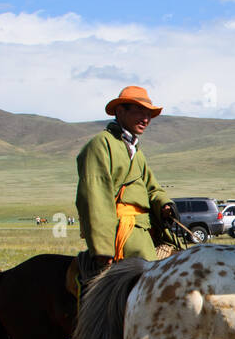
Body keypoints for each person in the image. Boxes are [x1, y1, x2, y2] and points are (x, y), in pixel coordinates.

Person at [75, 85, 177, 279]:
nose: (145, 119)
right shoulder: (101, 144)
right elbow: (95, 197)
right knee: (152, 279)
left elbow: (152, 188)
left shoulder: (136, 151)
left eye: (148, 114)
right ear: (120, 111)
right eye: (139, 111)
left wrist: (164, 204)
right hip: (123, 231)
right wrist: (103, 248)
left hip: (145, 228)